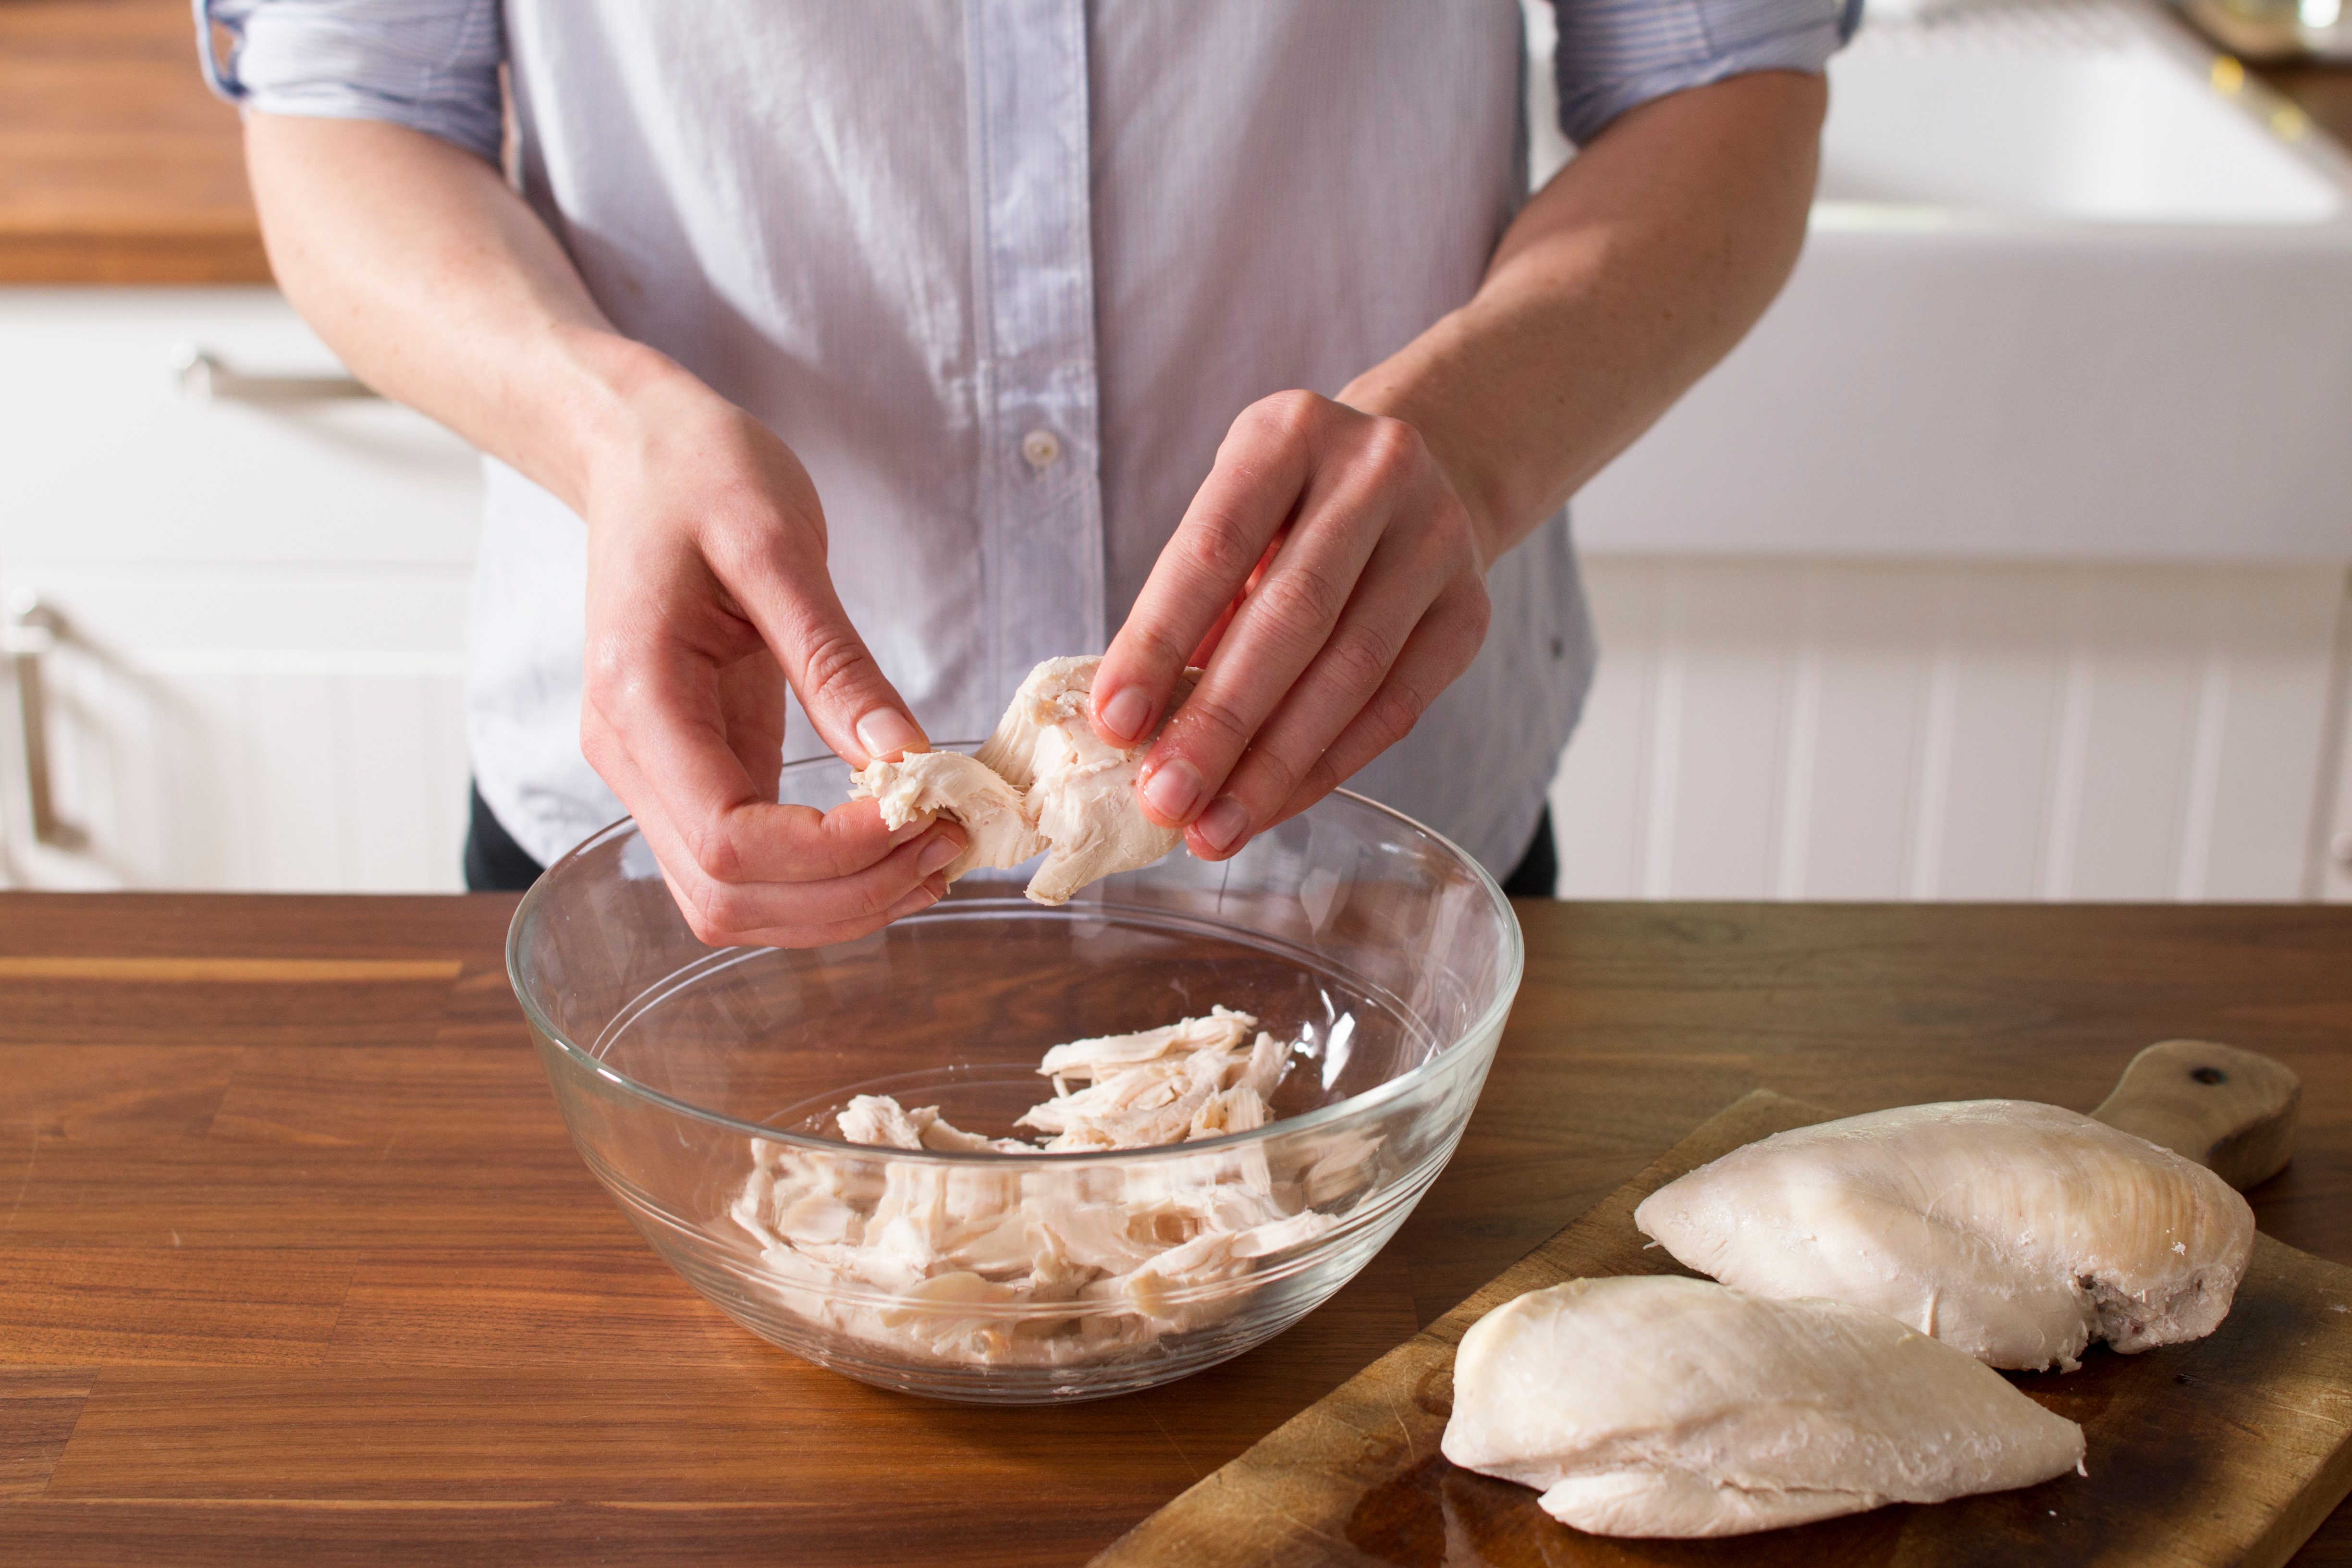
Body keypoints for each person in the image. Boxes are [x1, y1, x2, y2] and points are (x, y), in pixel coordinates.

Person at [201, 0, 1845, 944]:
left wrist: (1473, 450)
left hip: (1377, 866)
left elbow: (1720, 75)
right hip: (680, 848)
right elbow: (349, 107)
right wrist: (603, 425)